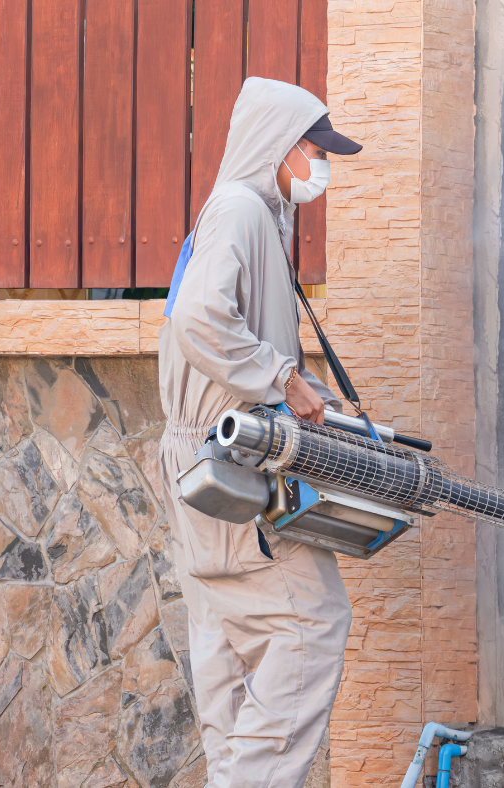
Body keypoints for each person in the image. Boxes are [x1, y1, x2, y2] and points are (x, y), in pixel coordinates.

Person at [157, 77, 362, 788]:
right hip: (230, 461)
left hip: (206, 453)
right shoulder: (241, 211)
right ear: (279, 144)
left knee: (229, 646)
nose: (321, 165)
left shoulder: (245, 212)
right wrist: (283, 379)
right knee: (311, 622)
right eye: (314, 148)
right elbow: (200, 321)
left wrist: (303, 390)